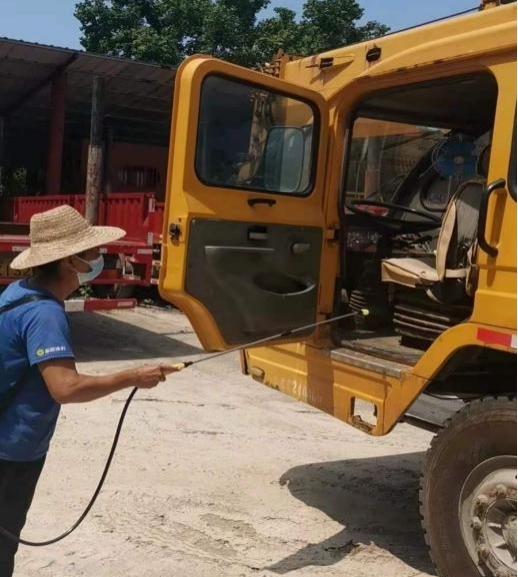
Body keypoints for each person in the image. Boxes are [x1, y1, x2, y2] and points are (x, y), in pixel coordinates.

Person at [0, 205, 180, 577]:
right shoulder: (45, 314)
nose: (100, 258)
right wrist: (134, 376)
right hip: (11, 452)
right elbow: (65, 387)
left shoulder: (18, 292)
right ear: (70, 261)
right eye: (93, 252)